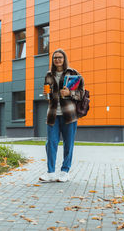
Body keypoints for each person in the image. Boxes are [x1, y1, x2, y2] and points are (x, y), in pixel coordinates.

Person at [39, 49, 85, 182]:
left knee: (68, 144)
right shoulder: (49, 74)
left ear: (64, 59)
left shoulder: (73, 73)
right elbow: (48, 95)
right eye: (55, 58)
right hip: (53, 115)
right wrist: (47, 94)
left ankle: (65, 171)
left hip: (69, 115)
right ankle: (51, 172)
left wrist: (69, 93)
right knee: (51, 143)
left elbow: (81, 93)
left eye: (60, 57)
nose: (57, 60)